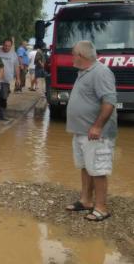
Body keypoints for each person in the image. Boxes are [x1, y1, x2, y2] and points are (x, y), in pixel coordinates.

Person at [64, 40, 117, 222]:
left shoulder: (101, 72)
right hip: (81, 131)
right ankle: (86, 200)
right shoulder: (83, 72)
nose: (71, 57)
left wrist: (97, 126)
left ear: (81, 56)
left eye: (72, 54)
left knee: (98, 169)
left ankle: (101, 208)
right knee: (86, 166)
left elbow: (109, 101)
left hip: (96, 133)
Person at [0, 38, 20, 121]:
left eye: (9, 46)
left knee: (4, 98)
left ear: (11, 46)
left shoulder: (14, 54)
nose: (6, 47)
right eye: (5, 45)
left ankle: (2, 115)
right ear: (3, 44)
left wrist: (18, 79)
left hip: (6, 80)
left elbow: (16, 67)